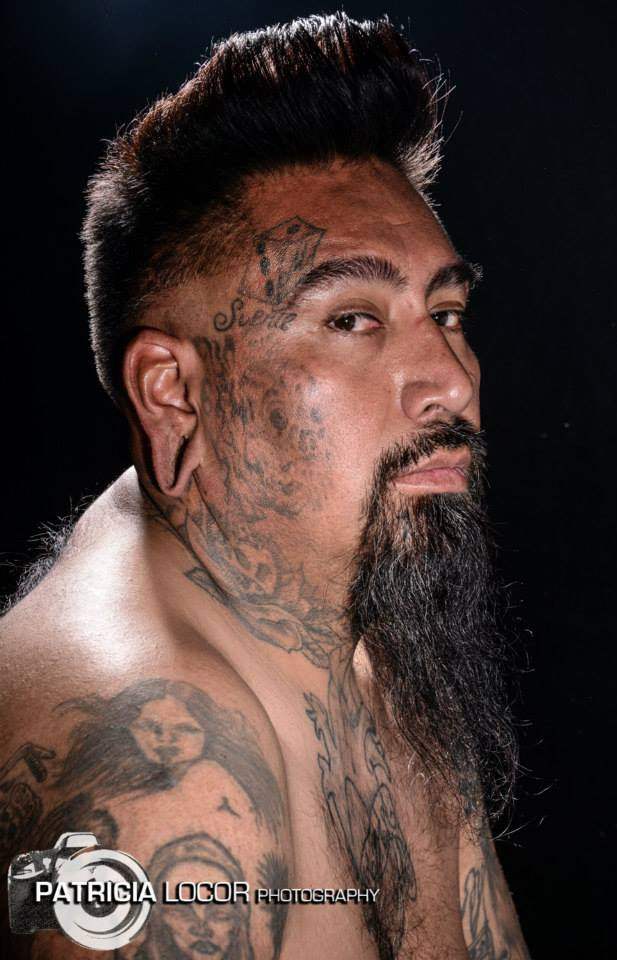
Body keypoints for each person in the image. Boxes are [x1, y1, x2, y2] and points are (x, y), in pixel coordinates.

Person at [0, 13, 531, 959]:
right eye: (352, 320)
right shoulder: (153, 778)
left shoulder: (366, 623)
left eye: (445, 310)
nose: (450, 382)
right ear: (173, 394)